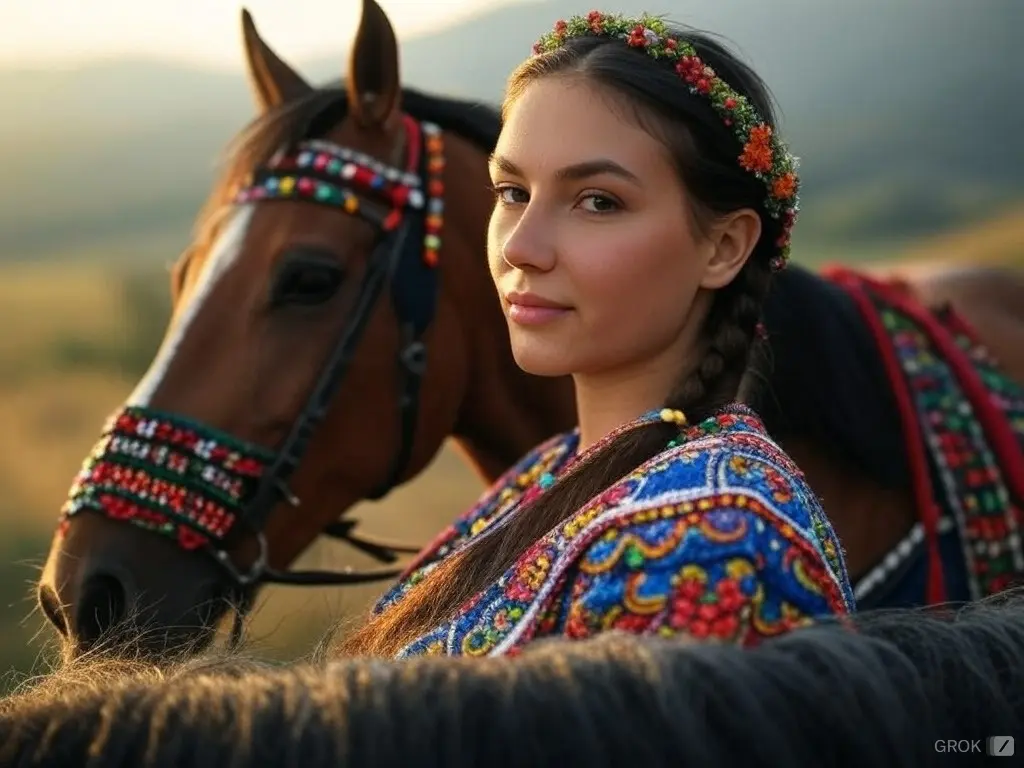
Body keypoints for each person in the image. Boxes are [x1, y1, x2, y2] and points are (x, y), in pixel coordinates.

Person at [337, 11, 854, 658]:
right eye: (512, 191)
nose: (521, 248)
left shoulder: (714, 541)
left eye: (598, 201)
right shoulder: (553, 467)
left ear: (724, 247)